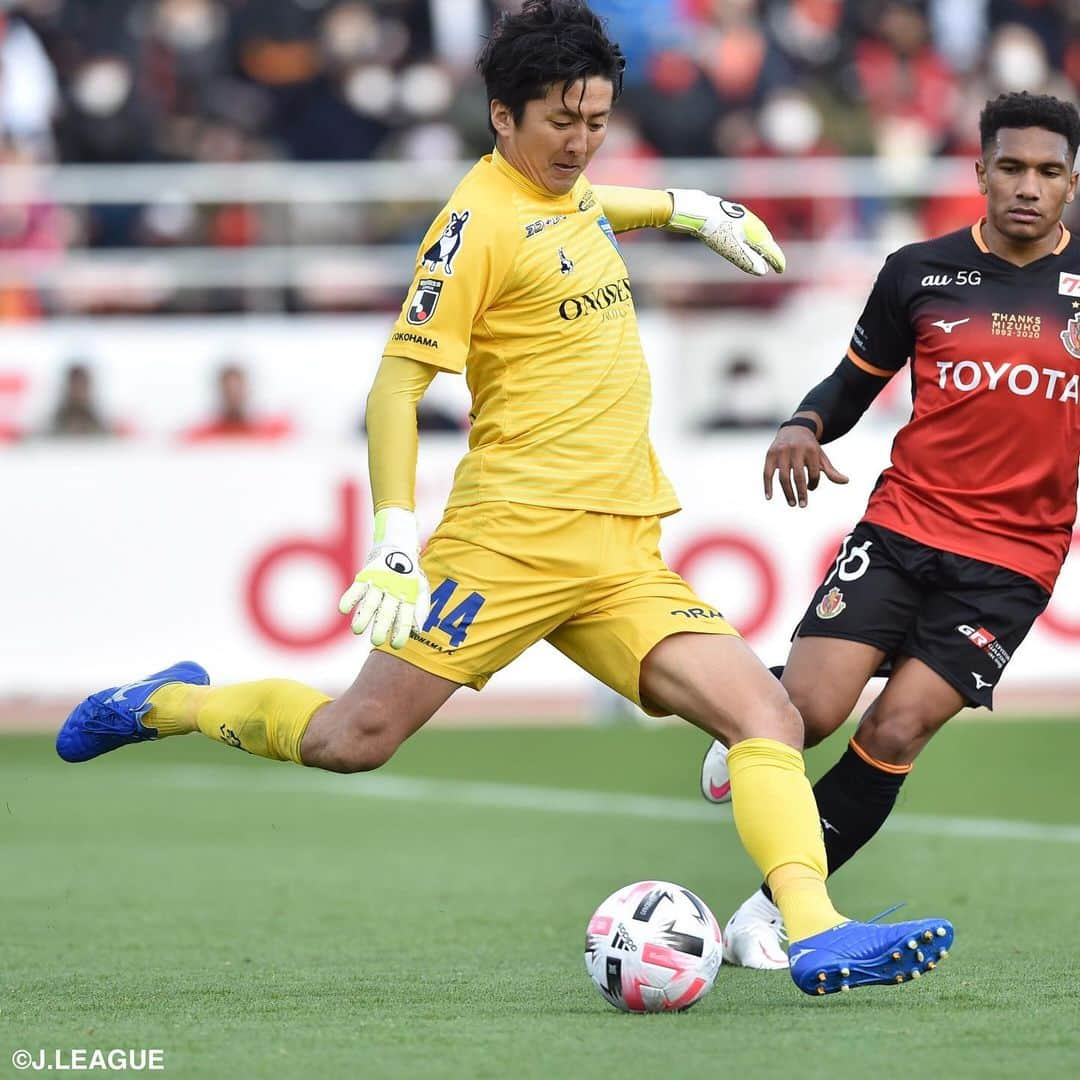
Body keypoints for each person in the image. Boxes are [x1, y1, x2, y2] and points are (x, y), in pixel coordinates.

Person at [56, 0, 952, 997]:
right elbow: (398, 383)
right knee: (351, 740)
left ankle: (814, 929)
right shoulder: (473, 222)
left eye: (596, 119)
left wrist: (686, 207)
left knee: (768, 720)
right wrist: (395, 537)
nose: (579, 142)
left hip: (618, 551)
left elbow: (584, 208)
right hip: (505, 545)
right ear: (500, 117)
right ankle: (168, 703)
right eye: (559, 122)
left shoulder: (562, 193)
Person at [701, 90, 1079, 970]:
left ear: (1072, 182)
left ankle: (769, 914)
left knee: (898, 731)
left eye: (1049, 172)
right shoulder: (919, 272)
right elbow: (852, 379)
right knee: (810, 713)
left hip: (1011, 567)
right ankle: (744, 720)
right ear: (980, 172)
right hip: (904, 527)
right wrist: (803, 424)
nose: (1029, 187)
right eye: (1012, 168)